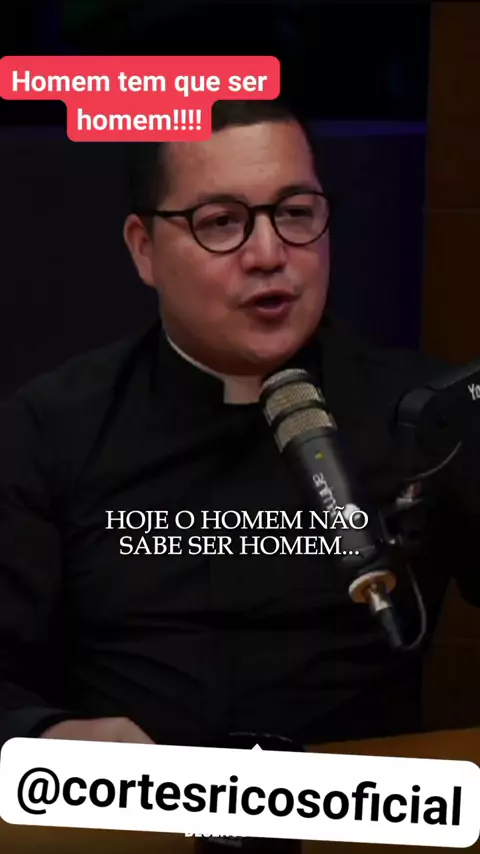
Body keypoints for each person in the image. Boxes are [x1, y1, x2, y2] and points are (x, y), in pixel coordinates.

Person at [0, 99, 478, 751]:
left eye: (295, 213)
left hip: (359, 801)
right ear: (144, 250)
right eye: (221, 222)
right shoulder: (48, 428)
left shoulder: (425, 417)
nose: (268, 254)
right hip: (136, 806)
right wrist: (50, 736)